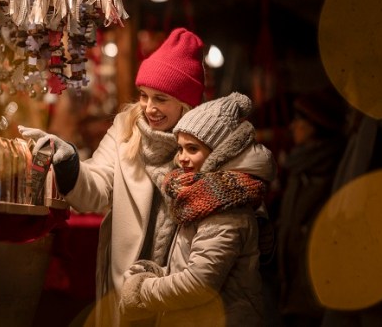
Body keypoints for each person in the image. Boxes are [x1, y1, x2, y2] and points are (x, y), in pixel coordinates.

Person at [18, 28, 272, 326]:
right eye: (143, 95)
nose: (149, 108)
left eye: (160, 99)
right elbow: (96, 189)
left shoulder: (207, 143)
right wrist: (70, 163)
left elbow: (237, 202)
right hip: (128, 282)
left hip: (181, 290)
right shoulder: (125, 130)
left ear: (185, 102)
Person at [118, 92, 276, 326]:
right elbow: (194, 265)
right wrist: (157, 272)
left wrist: (142, 291)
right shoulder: (202, 198)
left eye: (192, 149)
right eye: (180, 149)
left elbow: (199, 285)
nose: (182, 158)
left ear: (220, 153)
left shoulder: (225, 208)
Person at [276, 87, 348, 327]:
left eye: (299, 120)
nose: (292, 126)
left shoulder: (330, 173)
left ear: (316, 125)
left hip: (312, 301)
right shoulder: (300, 169)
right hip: (292, 293)